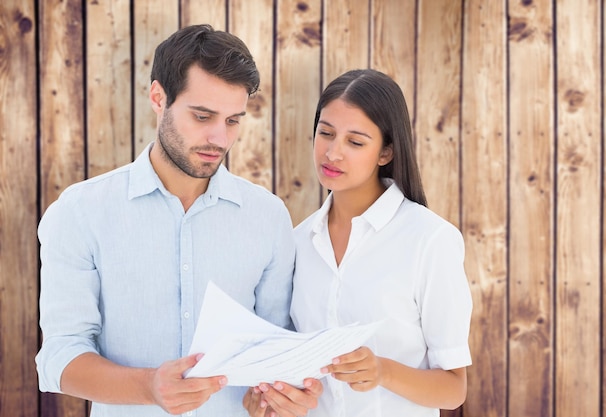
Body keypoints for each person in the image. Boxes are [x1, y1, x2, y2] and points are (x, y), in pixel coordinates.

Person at [36, 24, 320, 417]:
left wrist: (276, 396)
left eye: (233, 120)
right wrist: (148, 387)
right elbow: (59, 358)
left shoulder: (267, 217)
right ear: (158, 97)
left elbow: (275, 348)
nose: (219, 139)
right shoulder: (81, 212)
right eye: (202, 116)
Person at [288, 69, 472, 416]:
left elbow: (452, 390)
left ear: (386, 152)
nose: (332, 153)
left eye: (355, 142)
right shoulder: (298, 242)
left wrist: (382, 371)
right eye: (325, 133)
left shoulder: (430, 239)